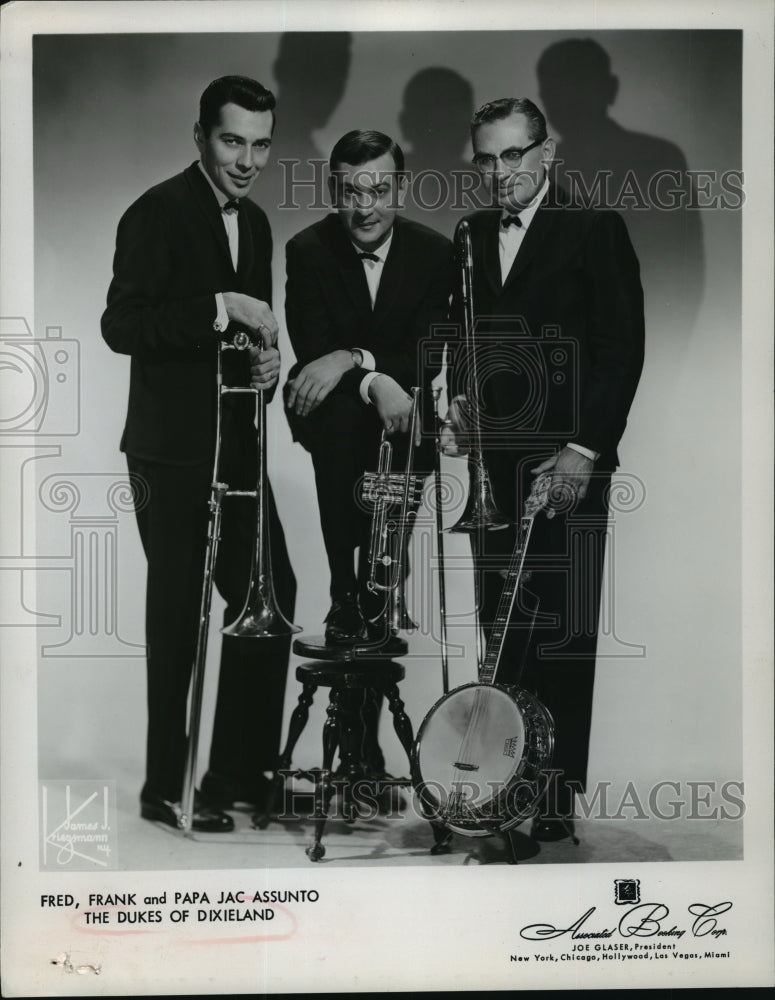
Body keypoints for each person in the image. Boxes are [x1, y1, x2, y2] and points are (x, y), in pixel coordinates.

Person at [443, 97, 644, 842]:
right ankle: (496, 788)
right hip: (493, 468)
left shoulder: (594, 230)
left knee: (561, 635)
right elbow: (460, 337)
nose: (500, 173)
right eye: (486, 159)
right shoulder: (466, 234)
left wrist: (583, 450)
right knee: (499, 631)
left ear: (546, 152)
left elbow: (621, 350)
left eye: (513, 156)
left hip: (567, 463)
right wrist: (455, 401)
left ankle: (551, 807)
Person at [102, 76, 296, 832]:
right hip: (169, 452)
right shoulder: (155, 211)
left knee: (267, 598)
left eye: (260, 143)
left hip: (235, 443)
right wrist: (219, 309)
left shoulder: (257, 225)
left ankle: (232, 776)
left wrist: (266, 366)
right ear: (200, 137)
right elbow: (122, 325)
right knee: (178, 615)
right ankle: (165, 787)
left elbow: (250, 340)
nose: (247, 159)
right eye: (231, 141)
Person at [284, 129, 454, 643]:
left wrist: (355, 360)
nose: (365, 208)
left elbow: (426, 355)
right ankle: (344, 591)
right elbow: (312, 353)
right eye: (350, 192)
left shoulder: (434, 253)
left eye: (379, 191)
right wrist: (369, 379)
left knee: (409, 409)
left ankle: (384, 583)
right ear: (334, 193)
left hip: (401, 410)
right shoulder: (307, 250)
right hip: (332, 411)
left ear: (399, 191)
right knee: (335, 411)